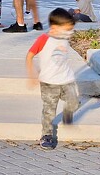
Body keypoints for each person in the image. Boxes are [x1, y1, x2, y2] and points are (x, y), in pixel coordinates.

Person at [26, 8, 79, 150]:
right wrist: (32, 74)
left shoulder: (64, 36)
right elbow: (29, 56)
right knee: (49, 110)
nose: (69, 33)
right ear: (54, 28)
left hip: (67, 79)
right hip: (49, 82)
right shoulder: (44, 39)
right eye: (66, 30)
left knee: (74, 102)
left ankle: (68, 111)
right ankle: (46, 135)